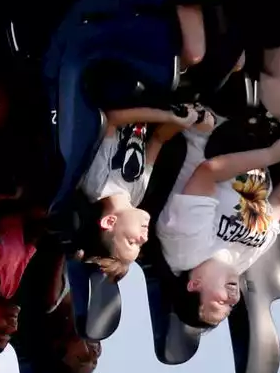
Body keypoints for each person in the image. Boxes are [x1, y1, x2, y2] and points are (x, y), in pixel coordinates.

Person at [157, 134, 280, 328]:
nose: (232, 300)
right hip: (267, 140)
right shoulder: (239, 264)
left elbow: (207, 172)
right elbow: (279, 201)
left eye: (220, 302)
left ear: (194, 285)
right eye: (231, 307)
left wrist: (272, 154)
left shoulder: (184, 250)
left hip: (224, 132)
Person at [77, 103, 210, 278]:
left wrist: (167, 117)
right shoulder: (136, 195)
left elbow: (111, 119)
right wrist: (184, 122)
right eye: (140, 246)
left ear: (109, 222)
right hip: (151, 106)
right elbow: (158, 139)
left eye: (131, 242)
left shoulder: (97, 184)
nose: (144, 239)